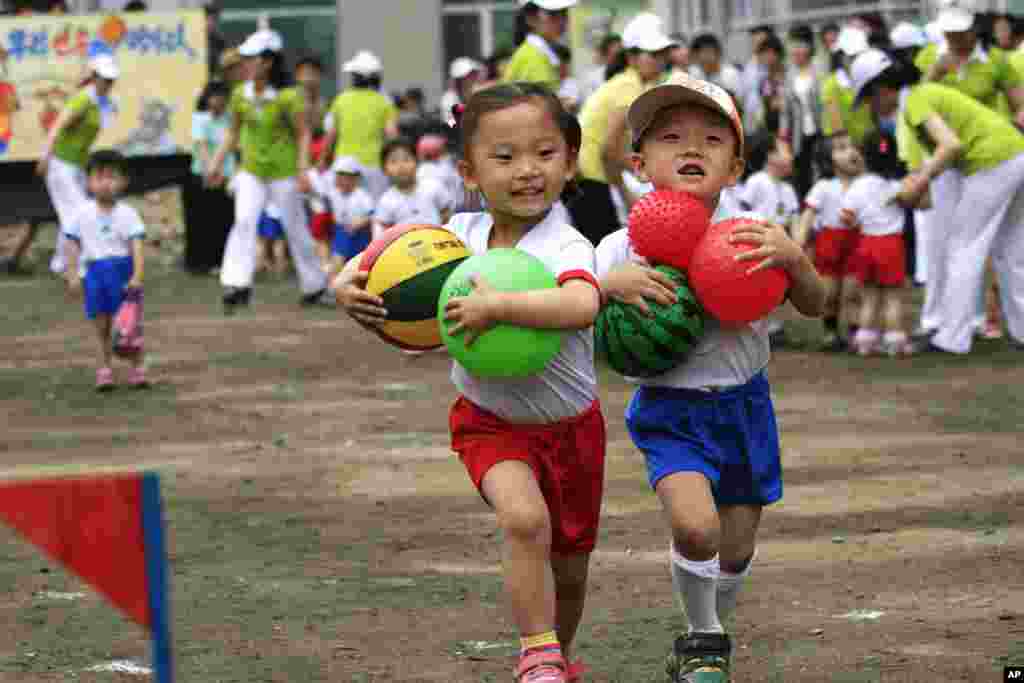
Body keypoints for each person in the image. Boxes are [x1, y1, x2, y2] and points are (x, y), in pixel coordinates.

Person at [336, 82, 605, 683]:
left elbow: (581, 305)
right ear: (470, 171)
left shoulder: (565, 242)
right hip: (489, 421)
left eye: (544, 153)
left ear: (568, 160)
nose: (527, 170)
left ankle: (557, 653)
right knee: (524, 521)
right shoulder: (454, 238)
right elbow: (374, 264)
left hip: (572, 429)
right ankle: (536, 654)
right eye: (504, 158)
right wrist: (344, 285)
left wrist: (500, 306)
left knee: (570, 564)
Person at [596, 71, 825, 682]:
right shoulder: (619, 248)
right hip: (669, 408)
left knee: (737, 548)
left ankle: (705, 635)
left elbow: (815, 304)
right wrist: (604, 288)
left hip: (745, 406)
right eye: (670, 138)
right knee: (696, 528)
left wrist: (794, 258)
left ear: (736, 163)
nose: (691, 148)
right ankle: (703, 642)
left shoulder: (753, 236)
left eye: (711, 139)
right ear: (640, 164)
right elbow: (571, 309)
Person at [851, 48, 1024, 354]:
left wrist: (921, 179)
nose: (871, 106)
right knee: (1010, 250)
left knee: (962, 247)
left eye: (869, 98)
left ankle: (951, 338)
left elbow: (951, 145)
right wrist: (918, 185)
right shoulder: (922, 94)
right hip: (1015, 154)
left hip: (992, 162)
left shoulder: (913, 100)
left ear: (880, 88)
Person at [207, 29, 328, 313]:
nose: (245, 63)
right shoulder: (240, 94)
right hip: (251, 170)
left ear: (268, 62)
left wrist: (302, 170)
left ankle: (315, 286)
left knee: (296, 227)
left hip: (284, 172)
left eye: (251, 58)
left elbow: (303, 134)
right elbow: (233, 133)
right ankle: (237, 284)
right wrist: (215, 162)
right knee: (244, 221)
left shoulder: (288, 96)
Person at [574, 13, 675, 246]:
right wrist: (654, 174)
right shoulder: (629, 88)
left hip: (590, 178)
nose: (660, 60)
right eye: (652, 54)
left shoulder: (631, 84)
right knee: (605, 253)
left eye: (663, 54)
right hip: (589, 180)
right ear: (631, 57)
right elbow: (609, 151)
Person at [62, 150, 148, 391]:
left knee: (129, 326)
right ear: (89, 182)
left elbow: (137, 245)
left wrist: (137, 275)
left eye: (112, 177)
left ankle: (137, 368)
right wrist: (72, 275)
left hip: (122, 273)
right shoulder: (81, 214)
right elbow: (72, 244)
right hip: (95, 275)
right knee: (101, 327)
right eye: (99, 177)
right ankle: (104, 370)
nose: (105, 183)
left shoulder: (128, 214)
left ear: (123, 182)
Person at [36, 55, 120, 275]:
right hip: (60, 164)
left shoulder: (98, 102)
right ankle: (79, 267)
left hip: (76, 166)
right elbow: (57, 126)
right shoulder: (82, 100)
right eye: (104, 79)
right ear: (94, 77)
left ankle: (60, 263)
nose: (108, 84)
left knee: (71, 214)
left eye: (111, 80)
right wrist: (45, 155)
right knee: (79, 214)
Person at [840, 130, 920, 356]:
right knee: (893, 297)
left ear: (864, 156)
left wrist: (856, 221)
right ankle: (895, 342)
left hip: (866, 243)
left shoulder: (858, 186)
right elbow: (913, 202)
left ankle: (865, 341)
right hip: (892, 245)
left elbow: (846, 217)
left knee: (869, 297)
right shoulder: (897, 186)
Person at [797, 131, 864, 351]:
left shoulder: (865, 186)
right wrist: (799, 240)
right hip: (829, 244)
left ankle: (856, 334)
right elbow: (808, 215)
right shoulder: (823, 187)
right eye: (842, 148)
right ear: (828, 157)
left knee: (854, 291)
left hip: (857, 243)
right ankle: (830, 332)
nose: (852, 152)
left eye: (853, 147)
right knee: (830, 292)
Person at [321, 50, 399, 200]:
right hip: (374, 166)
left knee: (344, 208)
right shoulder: (384, 101)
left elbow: (330, 134)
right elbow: (392, 135)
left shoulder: (340, 100)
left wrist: (323, 160)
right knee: (374, 208)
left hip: (344, 165)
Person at [184, 80, 235, 274]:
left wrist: (220, 173)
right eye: (213, 96)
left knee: (224, 222)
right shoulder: (200, 119)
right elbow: (202, 147)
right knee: (201, 222)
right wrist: (210, 172)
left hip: (226, 176)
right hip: (202, 175)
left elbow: (232, 147)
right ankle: (199, 263)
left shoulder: (231, 119)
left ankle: (223, 262)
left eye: (221, 97)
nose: (217, 101)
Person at [372, 138, 454, 239]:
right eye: (393, 161)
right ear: (384, 169)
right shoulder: (386, 201)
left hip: (438, 244)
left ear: (417, 162)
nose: (401, 166)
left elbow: (447, 214)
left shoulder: (433, 187)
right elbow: (382, 233)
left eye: (406, 159)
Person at [781, 24, 824, 199]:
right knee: (803, 175)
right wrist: (783, 137)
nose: (796, 51)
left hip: (820, 131)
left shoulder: (819, 69)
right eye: (793, 46)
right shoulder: (790, 74)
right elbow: (786, 110)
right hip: (799, 135)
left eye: (801, 46)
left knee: (821, 172)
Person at [316, 156, 374, 284]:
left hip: (360, 235)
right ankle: (334, 287)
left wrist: (360, 222)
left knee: (357, 266)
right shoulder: (334, 193)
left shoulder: (362, 195)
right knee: (338, 261)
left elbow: (372, 214)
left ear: (356, 178)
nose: (342, 181)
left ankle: (348, 287)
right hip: (341, 232)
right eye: (339, 176)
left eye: (347, 177)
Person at [503, 0, 577, 91]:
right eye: (553, 14)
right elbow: (547, 103)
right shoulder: (532, 57)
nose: (561, 20)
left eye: (564, 13)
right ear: (531, 19)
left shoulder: (541, 53)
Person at [820, 26, 875, 146]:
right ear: (841, 56)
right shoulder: (832, 85)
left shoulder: (869, 78)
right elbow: (837, 127)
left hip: (872, 145)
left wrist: (880, 147)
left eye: (859, 55)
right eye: (852, 56)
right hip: (847, 148)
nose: (857, 60)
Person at [688, 34, 742, 100]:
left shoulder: (730, 74)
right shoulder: (693, 74)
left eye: (708, 51)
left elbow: (739, 100)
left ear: (718, 53)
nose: (705, 56)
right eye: (700, 53)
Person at [578, 33, 622, 105]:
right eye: (616, 54)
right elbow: (589, 101)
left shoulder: (626, 74)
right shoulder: (592, 77)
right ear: (605, 52)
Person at [441, 57, 484, 121]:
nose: (473, 78)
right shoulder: (448, 98)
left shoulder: (477, 92)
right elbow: (449, 124)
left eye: (474, 74)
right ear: (459, 79)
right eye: (469, 75)